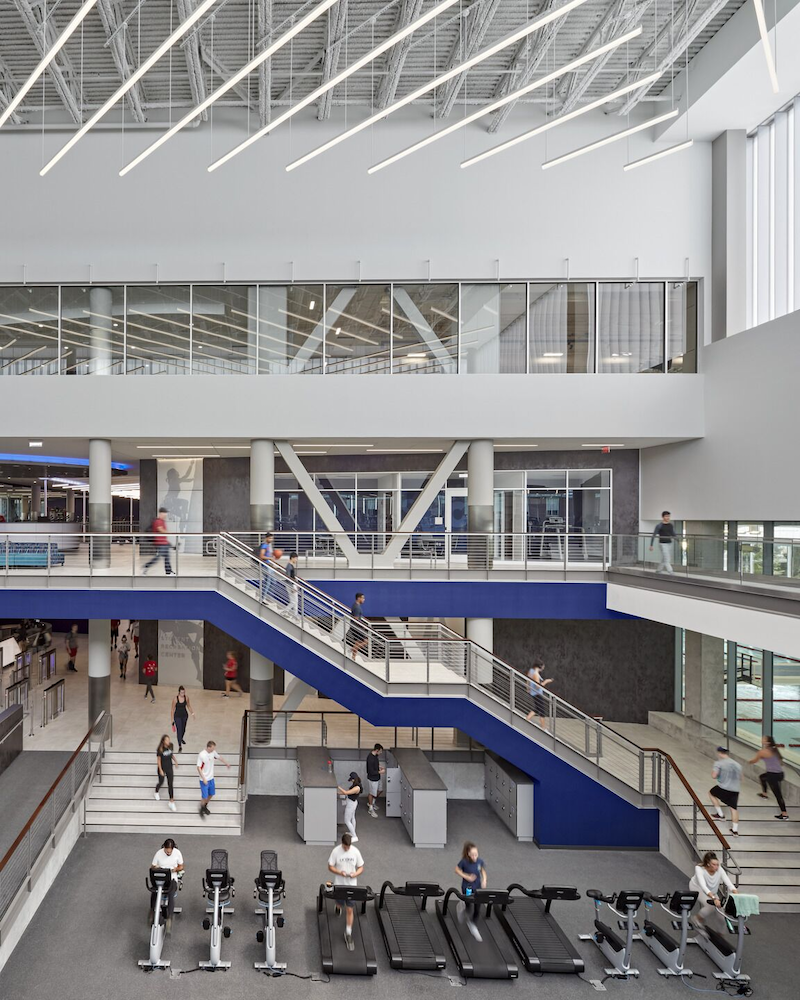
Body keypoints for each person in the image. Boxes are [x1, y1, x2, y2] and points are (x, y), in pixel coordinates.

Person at [327, 832, 364, 951]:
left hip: (352, 886)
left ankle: (348, 933)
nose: (347, 848)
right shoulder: (336, 851)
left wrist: (355, 874)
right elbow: (330, 866)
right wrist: (339, 872)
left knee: (350, 909)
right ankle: (338, 907)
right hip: (339, 884)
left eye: (348, 847)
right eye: (345, 846)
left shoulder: (355, 851)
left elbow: (361, 867)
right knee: (339, 904)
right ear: (342, 843)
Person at [689, 851, 738, 930]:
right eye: (714, 865)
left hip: (712, 891)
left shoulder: (720, 870)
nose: (716, 867)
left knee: (722, 916)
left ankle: (720, 935)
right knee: (711, 905)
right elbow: (703, 886)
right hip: (697, 888)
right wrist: (714, 898)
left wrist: (735, 891)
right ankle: (697, 918)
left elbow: (728, 882)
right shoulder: (699, 869)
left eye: (717, 865)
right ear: (708, 864)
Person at [455, 842, 487, 942]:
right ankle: (463, 905)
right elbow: (456, 870)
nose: (474, 856)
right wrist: (467, 877)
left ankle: (473, 923)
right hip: (467, 888)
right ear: (468, 854)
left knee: (478, 906)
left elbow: (482, 870)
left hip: (477, 888)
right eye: (472, 854)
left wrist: (484, 879)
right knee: (469, 904)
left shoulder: (479, 861)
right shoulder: (464, 862)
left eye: (476, 854)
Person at [751, 735, 789, 820]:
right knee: (762, 777)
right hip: (779, 774)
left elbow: (755, 760)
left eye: (763, 739)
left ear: (767, 742)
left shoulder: (763, 751)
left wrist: (749, 762)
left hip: (773, 775)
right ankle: (764, 794)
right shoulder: (775, 750)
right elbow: (781, 762)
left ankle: (784, 814)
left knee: (778, 795)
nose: (762, 739)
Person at [150, 838, 184, 931]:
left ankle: (169, 917)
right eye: (167, 851)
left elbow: (181, 866)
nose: (168, 853)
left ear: (173, 849)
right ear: (164, 848)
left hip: (172, 878)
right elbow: (152, 866)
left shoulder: (177, 853)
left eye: (170, 852)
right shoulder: (158, 853)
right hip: (160, 877)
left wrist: (175, 869)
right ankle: (152, 911)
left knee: (170, 893)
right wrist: (156, 867)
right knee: (154, 891)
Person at [709, 746, 743, 836]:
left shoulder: (719, 763)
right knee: (733, 809)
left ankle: (720, 815)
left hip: (724, 787)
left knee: (711, 793)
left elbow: (714, 775)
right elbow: (741, 778)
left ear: (720, 753)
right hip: (735, 789)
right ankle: (735, 830)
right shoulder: (737, 764)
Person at [197, 740, 231, 819]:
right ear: (208, 747)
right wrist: (203, 778)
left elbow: (219, 757)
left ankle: (204, 806)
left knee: (211, 794)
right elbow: (198, 768)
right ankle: (201, 809)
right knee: (204, 796)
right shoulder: (202, 755)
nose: (213, 750)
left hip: (211, 778)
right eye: (212, 748)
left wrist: (226, 763)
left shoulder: (213, 752)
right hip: (204, 779)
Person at [143, 507, 173, 575]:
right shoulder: (158, 521)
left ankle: (168, 572)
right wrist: (168, 533)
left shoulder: (162, 521)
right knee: (158, 557)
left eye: (166, 513)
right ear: (160, 513)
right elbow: (160, 530)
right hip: (160, 543)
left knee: (167, 558)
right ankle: (146, 566)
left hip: (164, 542)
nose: (166, 515)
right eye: (164, 513)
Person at [525, 659, 553, 729]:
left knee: (537, 708)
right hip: (537, 693)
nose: (543, 669)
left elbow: (528, 680)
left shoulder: (531, 671)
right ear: (540, 666)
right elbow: (538, 686)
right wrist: (546, 681)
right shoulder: (535, 674)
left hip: (534, 693)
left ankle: (527, 718)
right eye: (543, 667)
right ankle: (543, 727)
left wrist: (528, 689)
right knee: (542, 710)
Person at [154, 733, 178, 812]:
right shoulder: (160, 749)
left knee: (170, 784)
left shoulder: (171, 746)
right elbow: (158, 760)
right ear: (163, 741)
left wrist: (175, 761)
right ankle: (156, 791)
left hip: (169, 768)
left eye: (169, 739)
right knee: (161, 782)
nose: (168, 741)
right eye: (167, 740)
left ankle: (171, 801)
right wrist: (160, 770)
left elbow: (171, 755)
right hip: (162, 768)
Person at [337, 772, 362, 843]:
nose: (351, 781)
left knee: (347, 820)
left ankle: (354, 836)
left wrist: (338, 787)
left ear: (354, 779)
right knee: (352, 818)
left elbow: (346, 793)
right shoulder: (357, 785)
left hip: (351, 804)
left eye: (351, 780)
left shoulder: (357, 788)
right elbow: (348, 792)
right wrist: (338, 793)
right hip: (352, 803)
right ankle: (352, 832)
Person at [171, 685, 195, 752]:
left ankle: (181, 738)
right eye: (181, 692)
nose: (183, 694)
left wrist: (192, 713)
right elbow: (172, 709)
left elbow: (189, 706)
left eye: (184, 692)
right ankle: (179, 745)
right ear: (179, 692)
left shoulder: (186, 698)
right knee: (179, 730)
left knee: (183, 729)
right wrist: (172, 720)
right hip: (177, 716)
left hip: (184, 715)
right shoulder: (175, 699)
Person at [365, 744, 384, 818]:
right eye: (380, 751)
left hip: (377, 778)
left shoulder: (375, 756)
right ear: (377, 750)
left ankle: (372, 803)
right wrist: (380, 772)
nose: (381, 753)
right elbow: (370, 771)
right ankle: (370, 808)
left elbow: (375, 765)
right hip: (372, 779)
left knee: (380, 790)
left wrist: (379, 767)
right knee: (372, 793)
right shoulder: (370, 758)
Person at [347, 593, 368, 660]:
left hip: (354, 627)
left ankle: (353, 657)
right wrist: (362, 625)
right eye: (363, 598)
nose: (364, 599)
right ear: (359, 598)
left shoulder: (355, 605)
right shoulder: (357, 607)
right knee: (366, 641)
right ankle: (352, 649)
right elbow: (356, 619)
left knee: (357, 642)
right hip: (356, 627)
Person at [258, 532, 276, 599]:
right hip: (266, 566)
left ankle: (268, 597)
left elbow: (269, 554)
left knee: (273, 581)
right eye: (270, 538)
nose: (271, 539)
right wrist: (270, 558)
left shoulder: (269, 545)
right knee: (267, 583)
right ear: (266, 538)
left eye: (272, 538)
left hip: (270, 565)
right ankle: (263, 598)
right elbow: (261, 556)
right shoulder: (264, 546)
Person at [284, 551, 299, 620]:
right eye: (296, 558)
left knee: (295, 601)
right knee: (293, 601)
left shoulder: (291, 566)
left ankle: (295, 615)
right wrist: (292, 587)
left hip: (293, 584)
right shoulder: (289, 566)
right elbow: (288, 577)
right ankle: (285, 612)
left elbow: (292, 576)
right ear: (292, 558)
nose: (296, 560)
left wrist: (296, 584)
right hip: (290, 585)